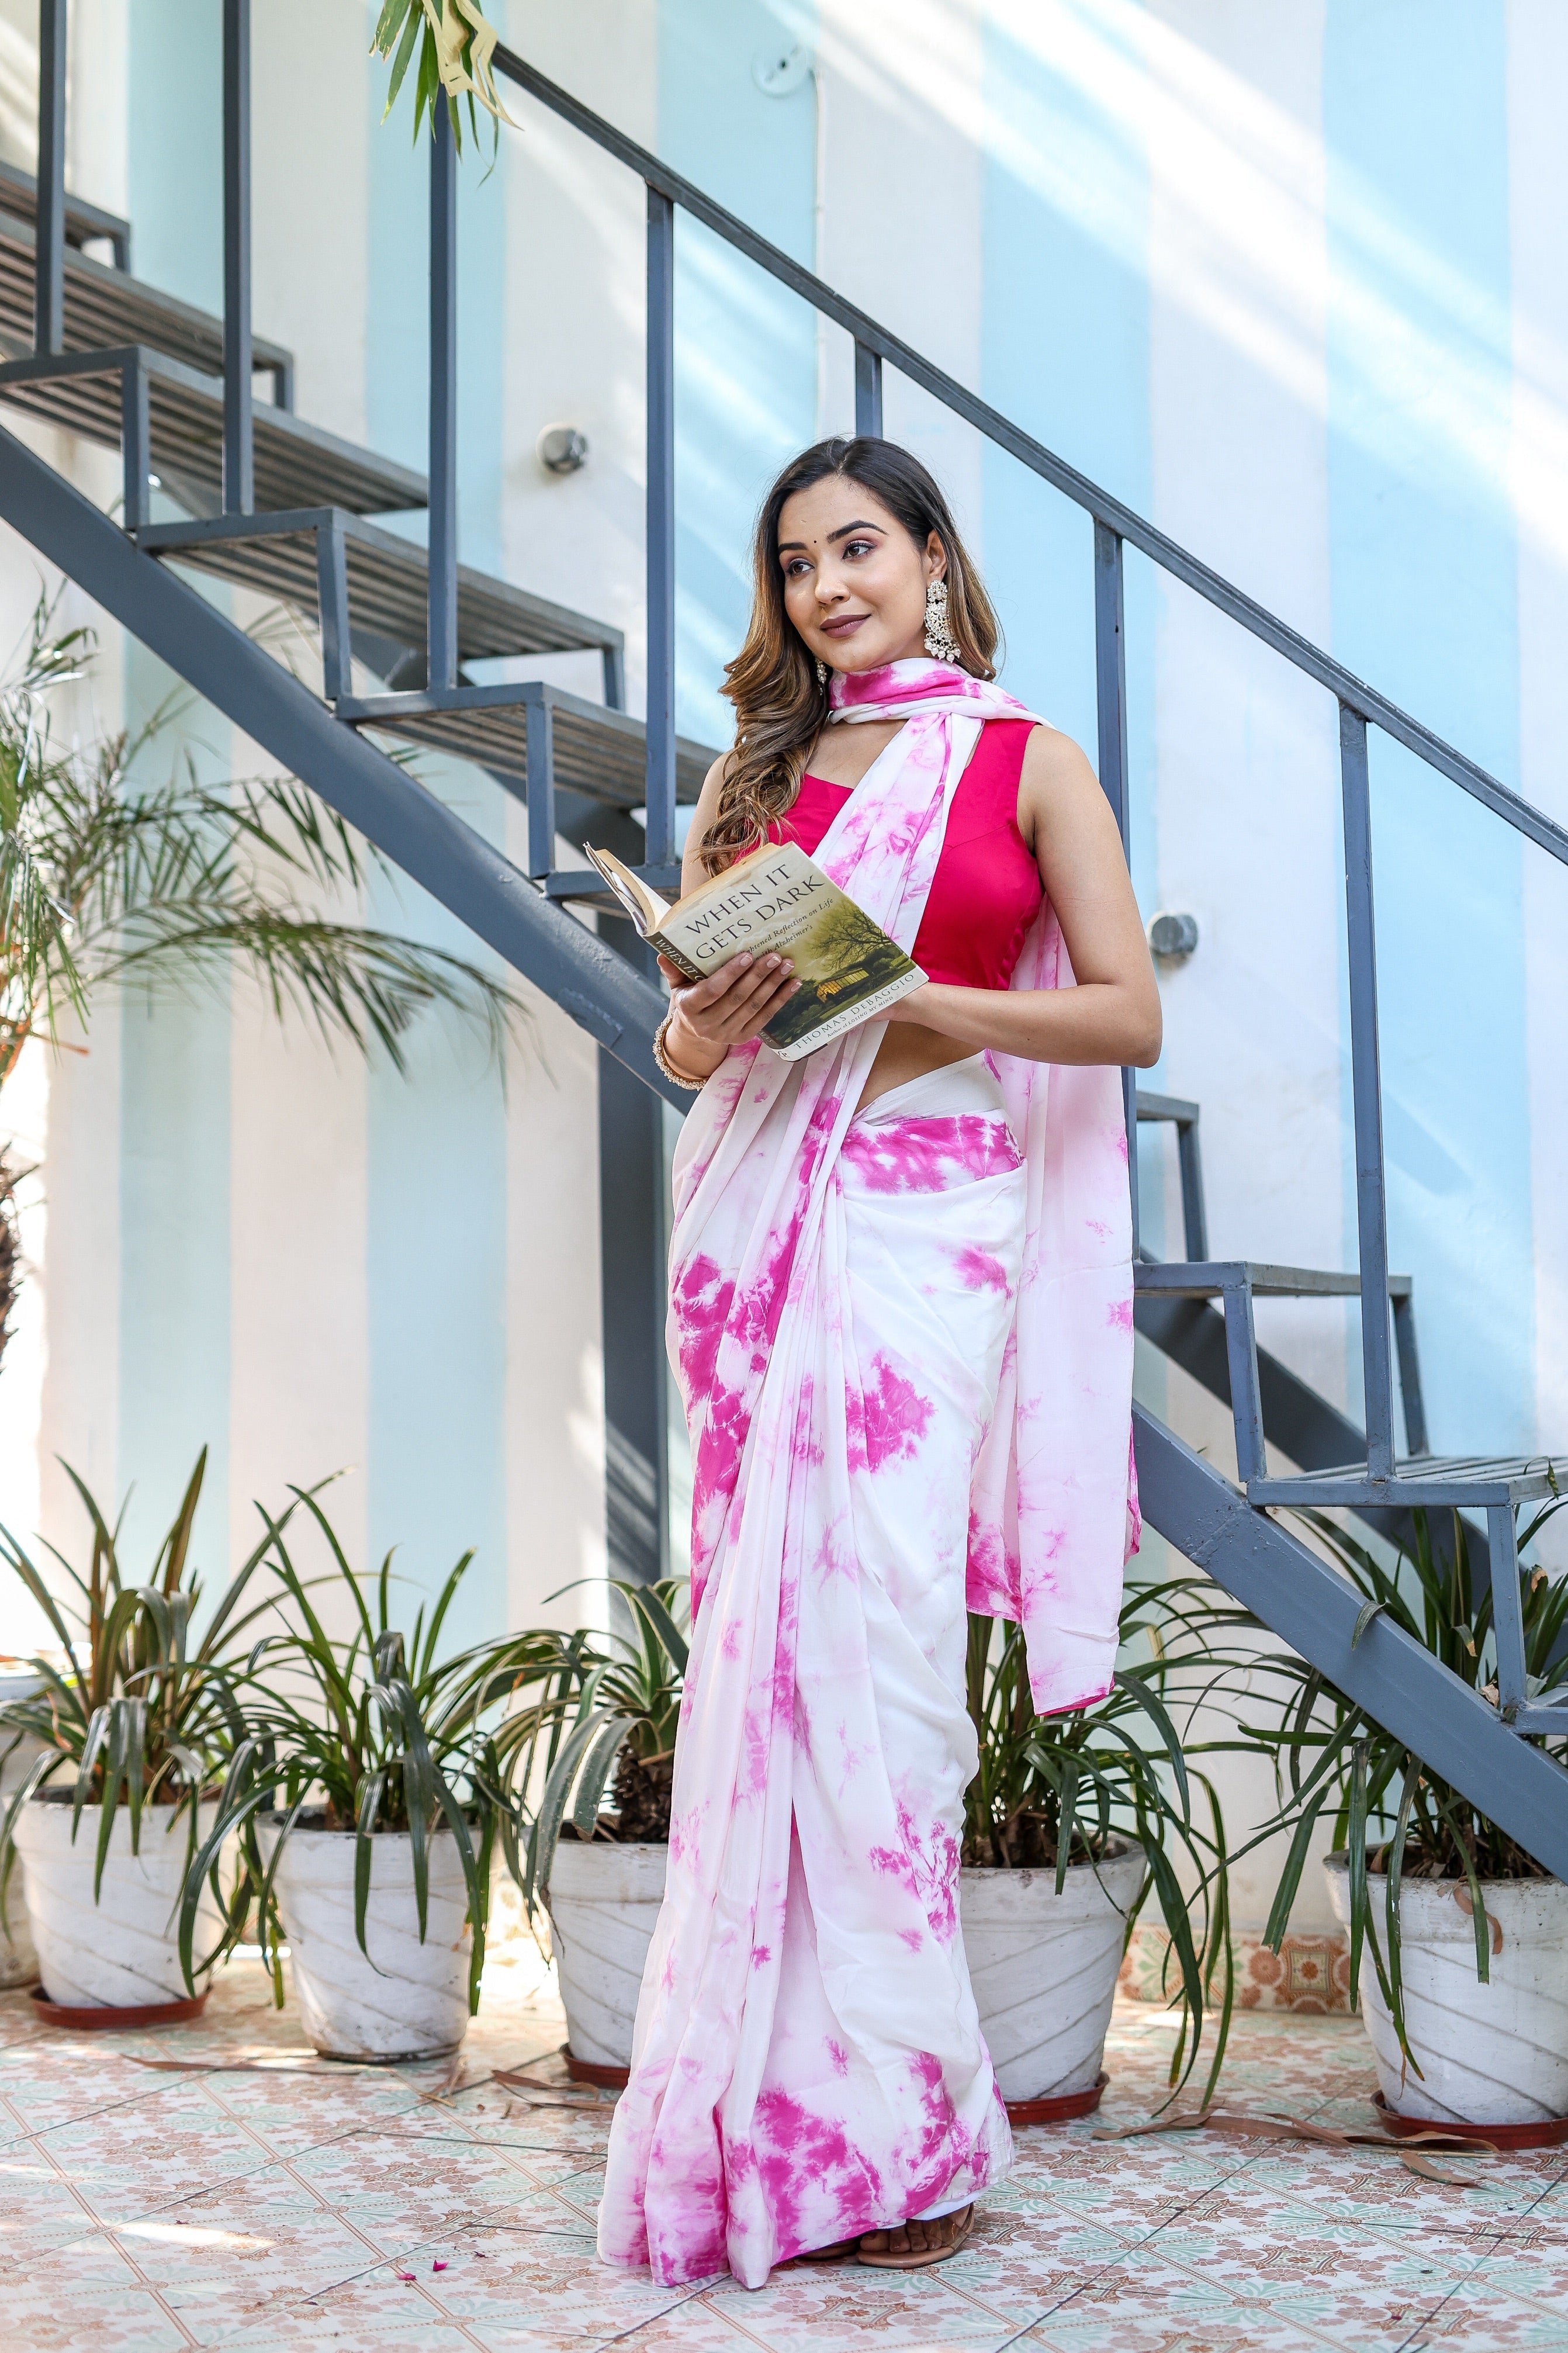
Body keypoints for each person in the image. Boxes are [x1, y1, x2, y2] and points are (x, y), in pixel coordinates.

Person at [597, 437, 1159, 2291]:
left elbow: (1125, 1013)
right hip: (761, 1211)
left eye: (856, 547)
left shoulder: (1025, 760)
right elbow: (691, 1053)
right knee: (762, 1661)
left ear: (928, 555)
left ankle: (901, 2122)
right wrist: (701, 1016)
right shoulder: (753, 778)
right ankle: (765, 2117)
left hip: (936, 1213)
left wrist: (916, 993)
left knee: (888, 1654)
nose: (827, 585)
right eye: (794, 561)